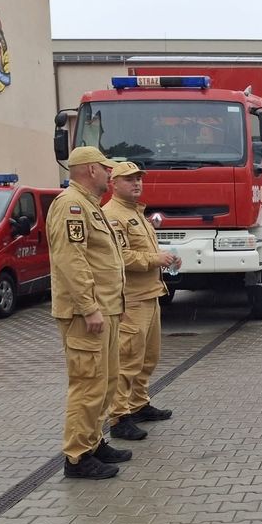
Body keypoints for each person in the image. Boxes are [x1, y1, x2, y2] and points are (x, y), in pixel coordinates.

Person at [46, 146, 127, 480]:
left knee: (105, 382)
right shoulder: (71, 205)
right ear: (91, 169)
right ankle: (77, 457)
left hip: (105, 309)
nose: (111, 175)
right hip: (87, 314)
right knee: (88, 384)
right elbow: (71, 260)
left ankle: (93, 442)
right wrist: (88, 307)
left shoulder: (89, 205)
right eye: (107, 169)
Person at [102, 161, 179, 440]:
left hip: (151, 294)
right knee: (127, 361)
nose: (137, 183)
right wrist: (154, 259)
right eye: (129, 179)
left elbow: (145, 251)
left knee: (148, 357)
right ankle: (119, 417)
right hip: (131, 299)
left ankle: (139, 404)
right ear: (114, 183)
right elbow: (120, 258)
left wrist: (166, 259)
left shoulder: (137, 213)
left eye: (139, 179)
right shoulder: (112, 215)